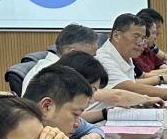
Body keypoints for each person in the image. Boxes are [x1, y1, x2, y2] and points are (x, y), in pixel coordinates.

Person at [22, 22, 154, 109]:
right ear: (72, 52)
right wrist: (145, 99)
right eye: (91, 56)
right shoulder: (50, 73)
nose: (94, 60)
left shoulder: (64, 68)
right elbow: (114, 95)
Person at [95, 13, 167, 101]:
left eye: (143, 38)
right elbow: (129, 87)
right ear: (116, 36)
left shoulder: (125, 54)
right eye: (136, 36)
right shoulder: (103, 59)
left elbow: (134, 84)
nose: (141, 43)